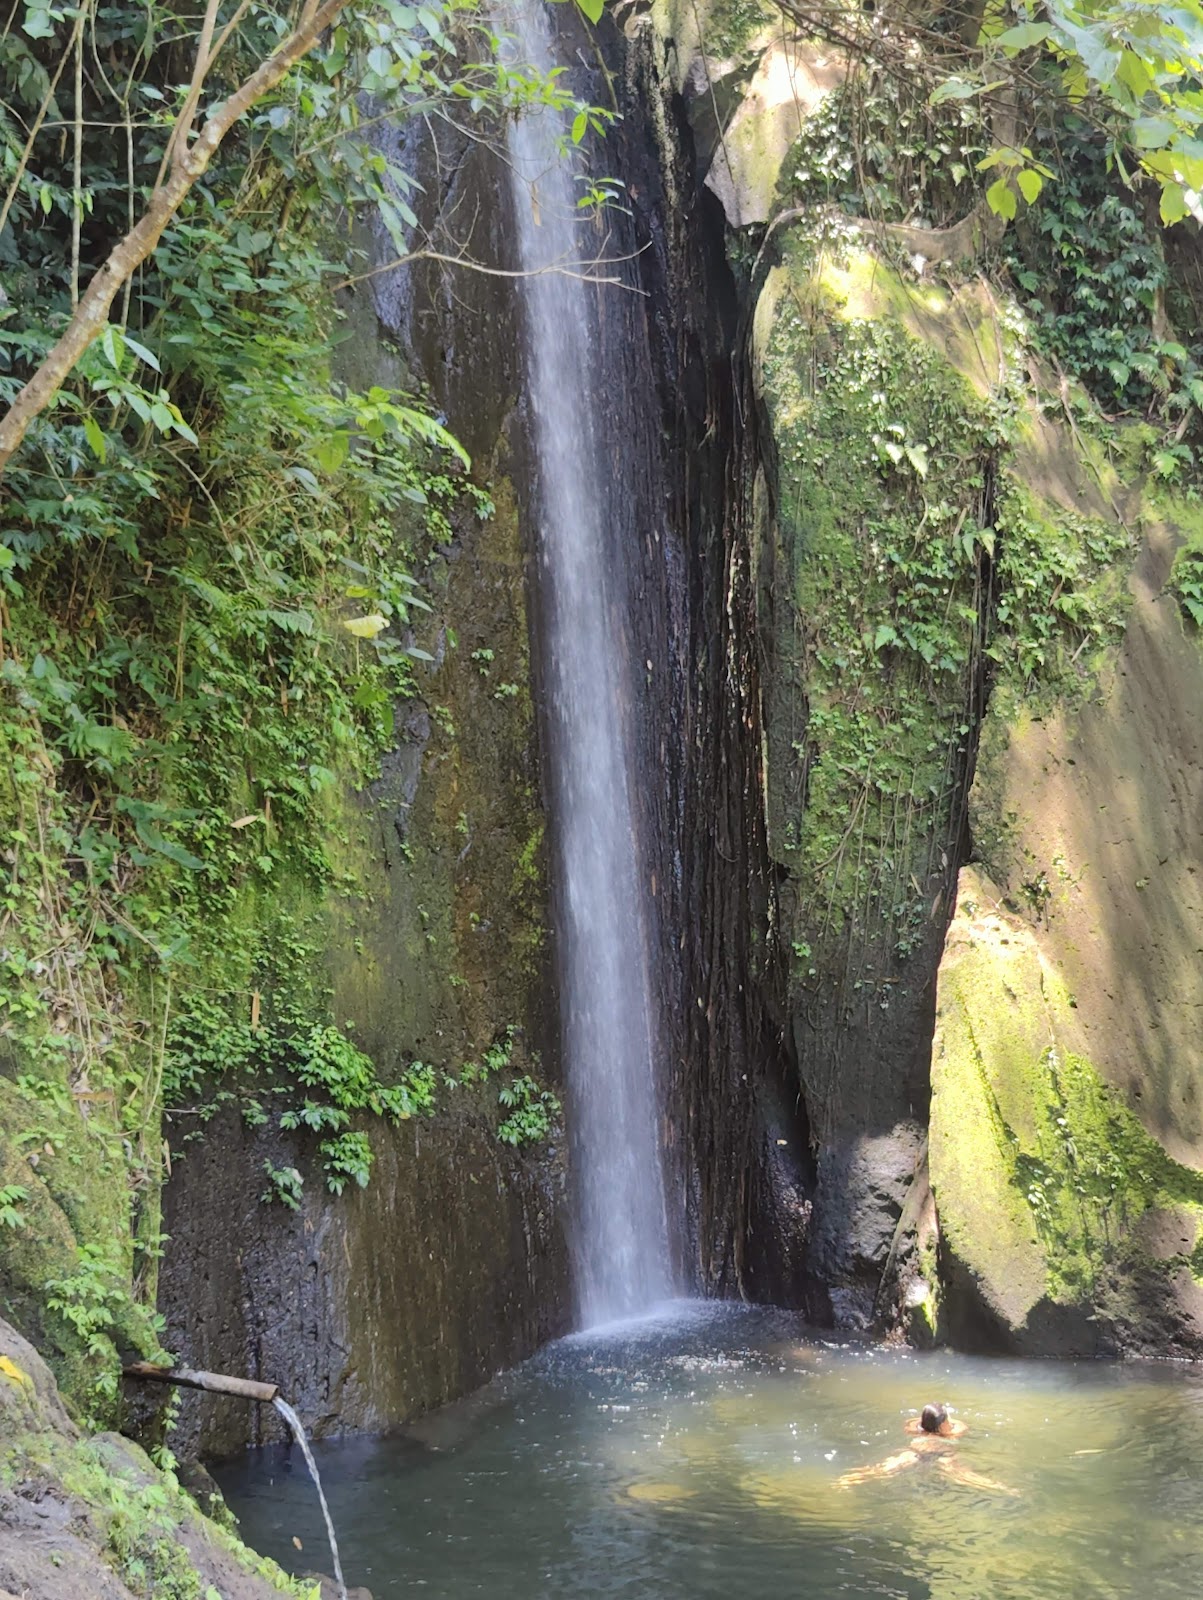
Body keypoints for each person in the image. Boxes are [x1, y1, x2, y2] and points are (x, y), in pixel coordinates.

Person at [837, 1402, 1015, 1494]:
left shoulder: (919, 1431)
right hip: (941, 1453)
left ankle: (847, 1479)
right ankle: (1001, 1488)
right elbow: (958, 1431)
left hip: (916, 1452)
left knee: (882, 1469)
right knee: (965, 1476)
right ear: (943, 1423)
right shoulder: (950, 1433)